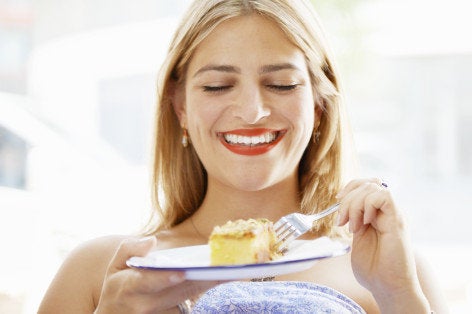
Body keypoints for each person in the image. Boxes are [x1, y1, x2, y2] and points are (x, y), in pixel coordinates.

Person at [38, 0, 447, 313]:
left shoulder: (387, 271)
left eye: (282, 84)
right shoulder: (104, 273)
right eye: (217, 86)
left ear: (319, 106)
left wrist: (401, 297)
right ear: (180, 108)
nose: (252, 111)